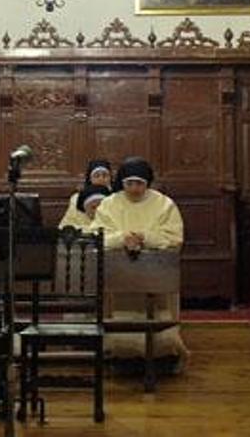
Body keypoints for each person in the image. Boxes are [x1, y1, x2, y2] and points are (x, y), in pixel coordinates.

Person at [91, 157, 188, 373]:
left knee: (159, 316)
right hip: (119, 272)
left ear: (148, 183)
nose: (134, 189)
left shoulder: (164, 204)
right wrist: (122, 239)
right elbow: (97, 235)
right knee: (121, 315)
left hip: (156, 274)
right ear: (122, 183)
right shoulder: (110, 204)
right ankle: (121, 357)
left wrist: (145, 238)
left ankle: (163, 357)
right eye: (129, 183)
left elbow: (174, 238)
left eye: (139, 183)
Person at [58, 159, 112, 229]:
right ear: (90, 178)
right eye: (97, 176)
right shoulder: (76, 198)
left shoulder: (116, 198)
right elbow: (67, 224)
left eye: (105, 176)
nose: (101, 179)